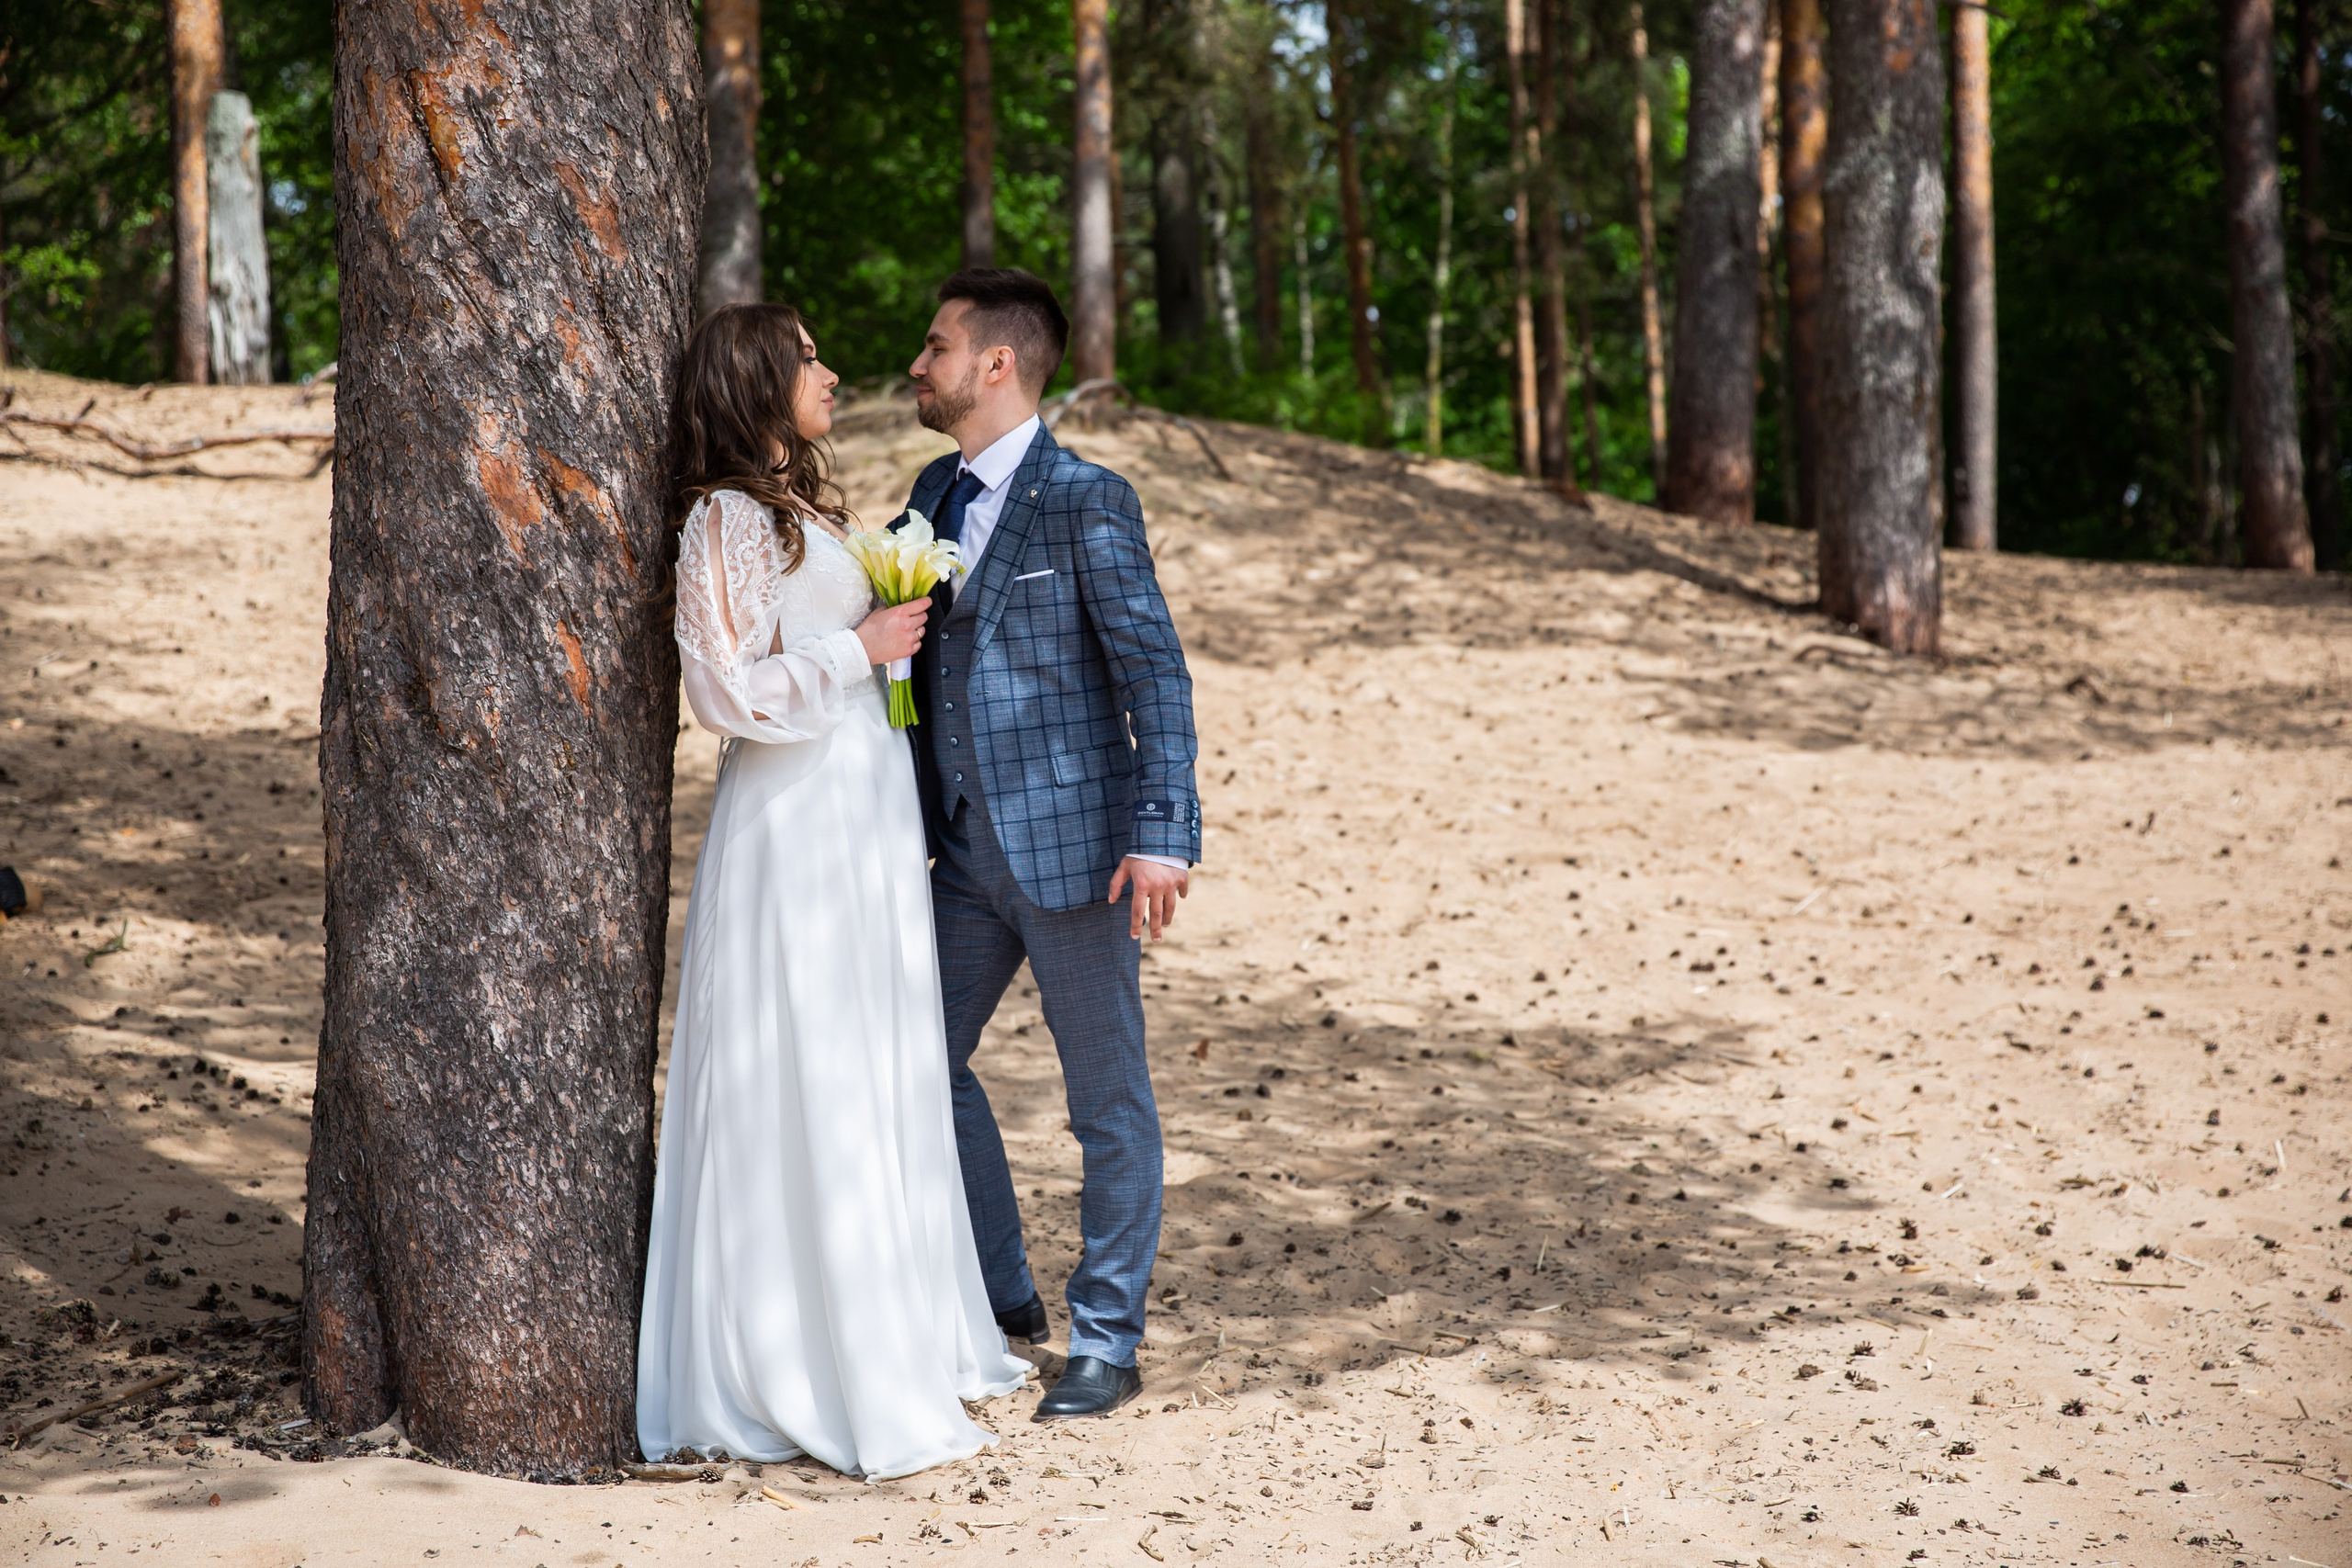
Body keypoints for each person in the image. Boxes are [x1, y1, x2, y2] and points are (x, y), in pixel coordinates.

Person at [636, 302, 1032, 1480]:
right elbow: (721, 689)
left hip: (862, 814)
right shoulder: (721, 517)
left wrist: (879, 663)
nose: (831, 369)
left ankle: (894, 1320)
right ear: (756, 377)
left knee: (872, 1058)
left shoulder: (804, 507)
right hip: (795, 825)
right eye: (806, 356)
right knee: (801, 1062)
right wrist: (855, 654)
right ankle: (800, 1355)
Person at [899, 269, 1202, 1421]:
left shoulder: (1088, 499)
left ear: (996, 365)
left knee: (1105, 1101)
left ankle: (1107, 1338)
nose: (917, 368)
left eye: (935, 349)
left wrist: (1163, 835)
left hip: (1081, 857)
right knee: (914, 1064)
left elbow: (1153, 672)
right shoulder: (929, 491)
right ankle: (1003, 1290)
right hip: (961, 854)